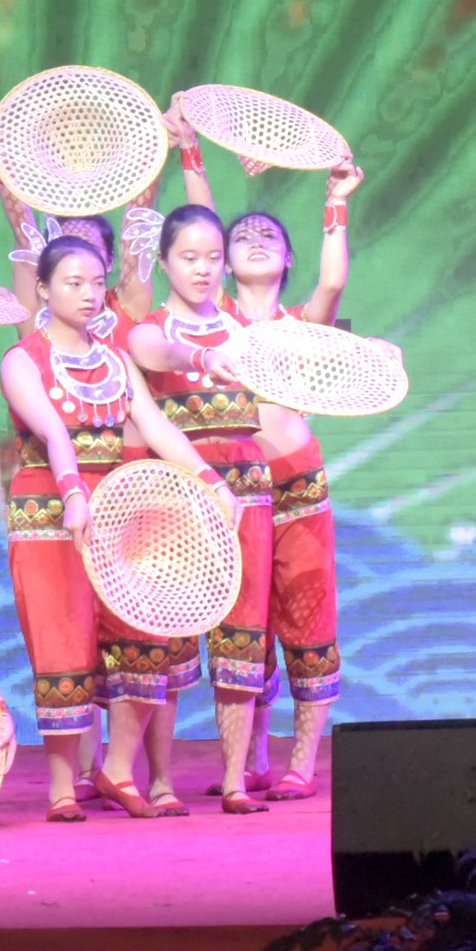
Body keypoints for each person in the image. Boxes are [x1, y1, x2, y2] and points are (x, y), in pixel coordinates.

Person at [1, 235, 233, 822]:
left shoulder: (114, 358)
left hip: (118, 509)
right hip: (49, 513)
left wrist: (212, 480)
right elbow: (54, 433)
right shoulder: (23, 359)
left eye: (95, 282)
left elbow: (154, 426)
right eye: (72, 283)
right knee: (62, 641)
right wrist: (73, 493)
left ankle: (119, 768)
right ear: (44, 289)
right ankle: (61, 786)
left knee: (145, 633)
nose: (87, 293)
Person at [200, 161, 364, 800]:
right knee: (241, 623)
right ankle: (248, 761)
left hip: (298, 489)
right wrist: (190, 154)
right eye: (242, 236)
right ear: (221, 261)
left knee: (307, 613)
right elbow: (202, 225)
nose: (256, 239)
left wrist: (336, 203)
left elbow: (334, 280)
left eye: (269, 234)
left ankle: (301, 763)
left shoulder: (301, 325)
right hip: (235, 493)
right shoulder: (210, 323)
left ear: (289, 257)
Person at [127, 206, 277, 816]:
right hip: (178, 494)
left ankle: (235, 779)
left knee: (243, 631)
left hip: (246, 490)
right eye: (189, 257)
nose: (203, 269)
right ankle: (162, 781)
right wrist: (200, 358)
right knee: (168, 635)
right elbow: (155, 352)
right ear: (165, 261)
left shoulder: (248, 329)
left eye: (214, 257)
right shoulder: (149, 329)